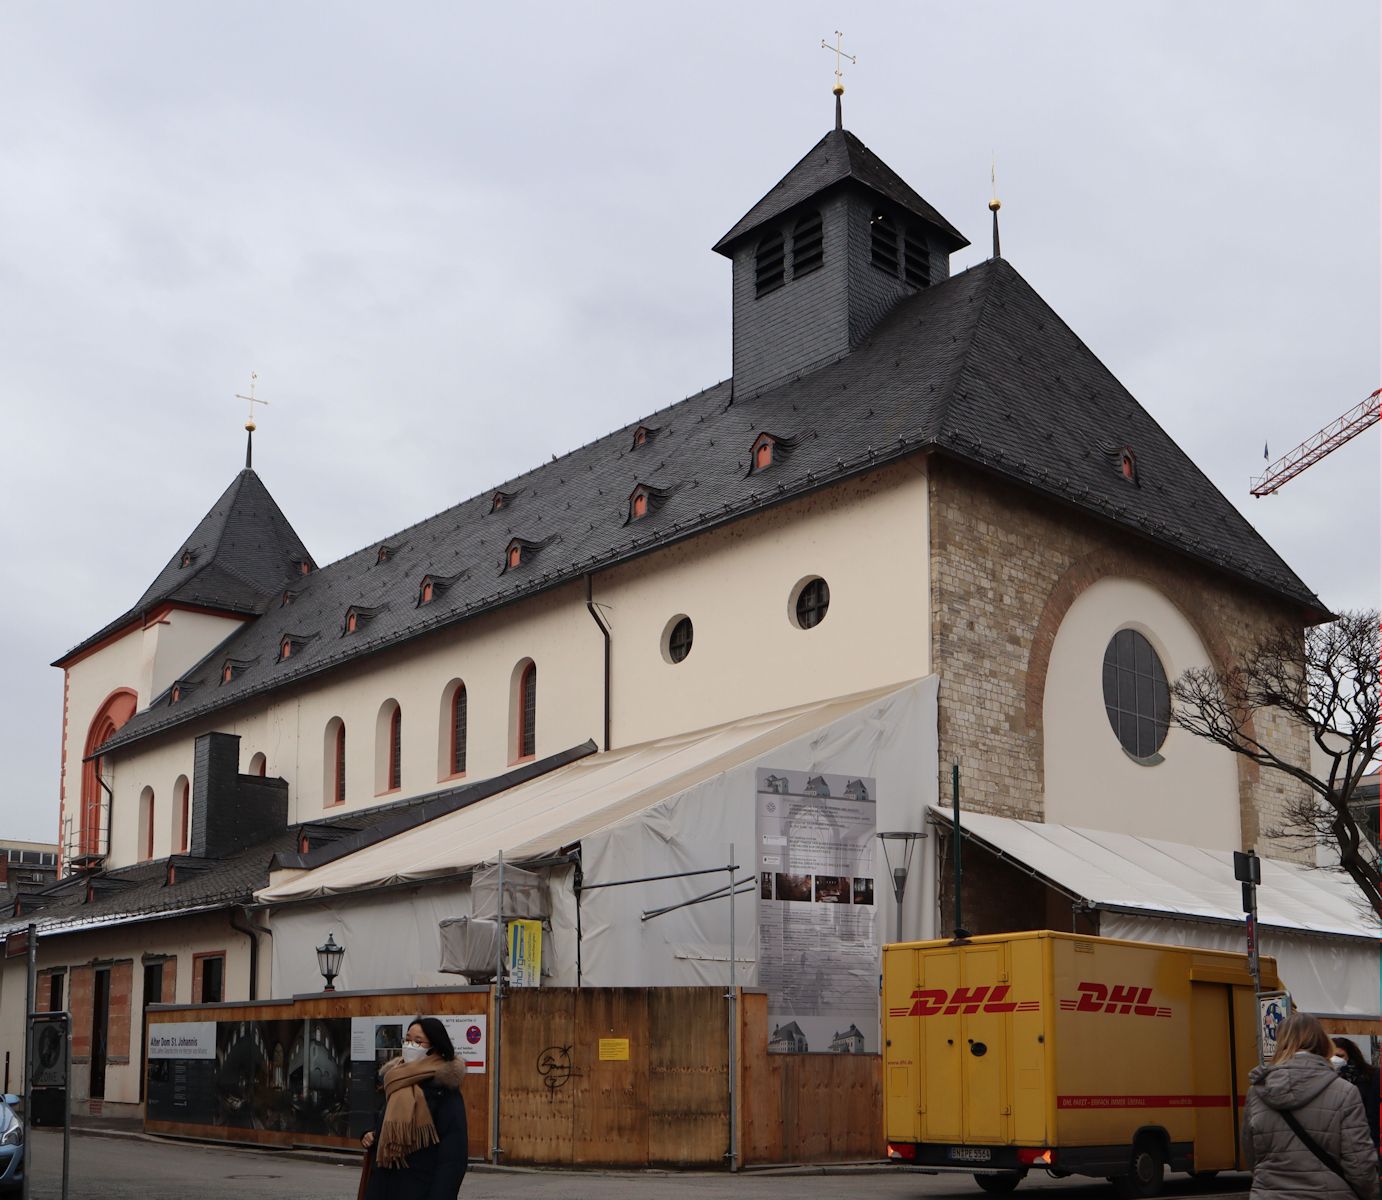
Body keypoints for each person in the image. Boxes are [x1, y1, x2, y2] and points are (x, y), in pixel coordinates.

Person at [1242, 1012, 1379, 1199]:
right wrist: (1370, 1194)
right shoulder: (1344, 1091)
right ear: (1321, 1040)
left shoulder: (1257, 1091)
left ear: (1281, 1042)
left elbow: (1251, 1155)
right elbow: (1359, 1161)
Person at [361, 1017, 468, 1199]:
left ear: (434, 1048)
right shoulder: (395, 1081)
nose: (410, 1045)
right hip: (383, 1187)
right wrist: (370, 1134)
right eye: (407, 1039)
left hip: (419, 1189)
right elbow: (387, 1123)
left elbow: (453, 1158)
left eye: (418, 1041)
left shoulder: (443, 1091)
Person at [1334, 1037, 1382, 1160]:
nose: (1334, 1060)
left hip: (1365, 1142)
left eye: (1340, 1056)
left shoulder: (1371, 1076)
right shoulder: (1327, 1078)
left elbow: (1373, 1115)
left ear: (1351, 1056)